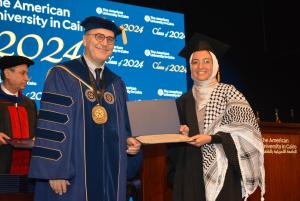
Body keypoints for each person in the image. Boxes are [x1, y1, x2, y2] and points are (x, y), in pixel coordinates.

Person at [29, 16, 142, 201]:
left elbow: (124, 128)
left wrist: (130, 143)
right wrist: (56, 171)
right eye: (98, 37)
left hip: (110, 175)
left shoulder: (116, 83)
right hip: (72, 175)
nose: (104, 43)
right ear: (84, 40)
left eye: (110, 39)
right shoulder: (63, 75)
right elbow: (53, 127)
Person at [166, 33, 265, 201]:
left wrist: (212, 138)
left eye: (206, 61)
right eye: (195, 62)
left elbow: (247, 133)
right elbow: (173, 148)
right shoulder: (182, 101)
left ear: (215, 65)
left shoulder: (230, 94)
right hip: (190, 172)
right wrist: (179, 135)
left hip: (223, 171)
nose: (200, 66)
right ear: (190, 67)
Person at [0, 55, 37, 174]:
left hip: (28, 172)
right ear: (7, 73)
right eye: (22, 73)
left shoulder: (29, 104)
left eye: (27, 74)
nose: (27, 78)